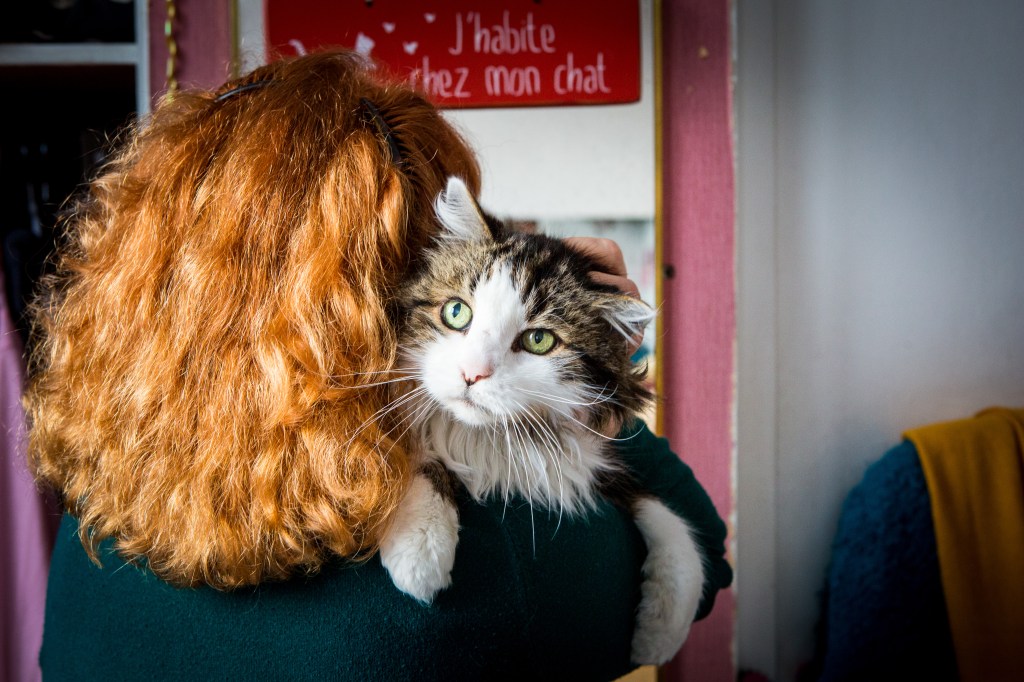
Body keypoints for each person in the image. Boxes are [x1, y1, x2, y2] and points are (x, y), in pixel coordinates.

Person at [26, 51, 731, 680]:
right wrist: (601, 377)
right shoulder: (499, 562)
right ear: (368, 301)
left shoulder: (95, 517)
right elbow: (707, 554)